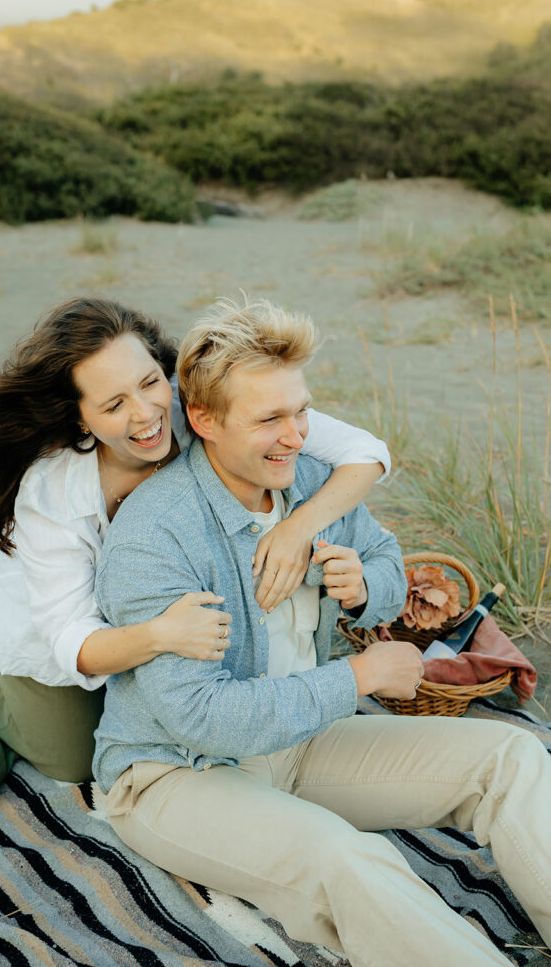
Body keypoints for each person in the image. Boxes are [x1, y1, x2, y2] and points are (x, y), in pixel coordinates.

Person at [92, 297, 551, 967]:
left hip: (301, 741)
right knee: (347, 859)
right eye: (270, 419)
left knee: (509, 759)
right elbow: (202, 718)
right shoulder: (155, 538)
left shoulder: (307, 485)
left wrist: (365, 589)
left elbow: (388, 559)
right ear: (204, 420)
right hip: (178, 773)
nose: (297, 434)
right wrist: (357, 678)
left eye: (302, 411)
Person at [0, 296, 390, 783]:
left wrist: (298, 528)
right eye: (114, 404)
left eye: (150, 382)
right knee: (70, 758)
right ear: (81, 418)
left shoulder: (200, 406)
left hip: (157, 584)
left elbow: (366, 454)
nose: (146, 412)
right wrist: (157, 636)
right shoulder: (50, 494)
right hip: (69, 609)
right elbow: (72, 639)